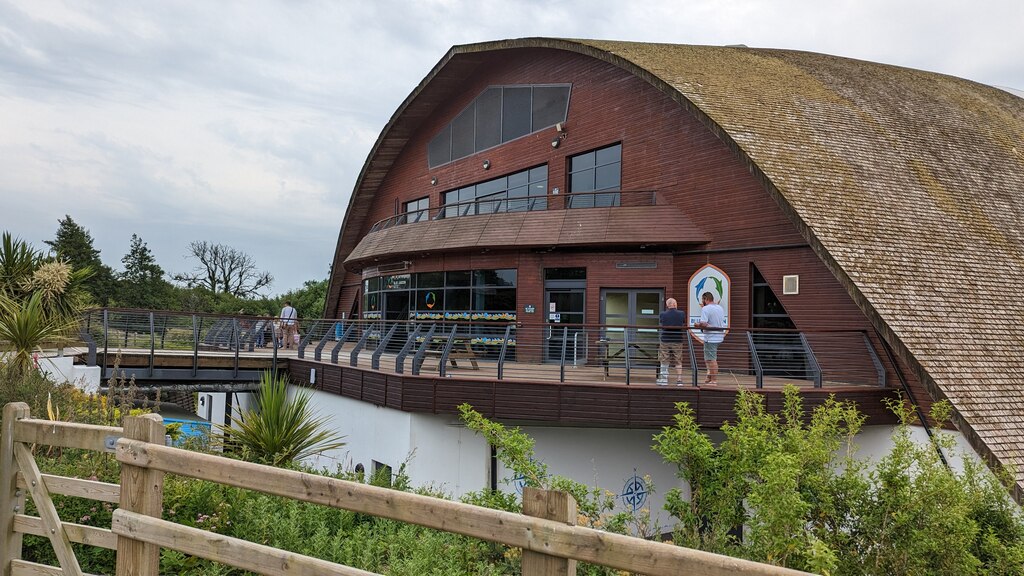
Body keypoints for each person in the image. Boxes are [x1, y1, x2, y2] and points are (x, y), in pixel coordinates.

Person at [693, 291, 725, 385]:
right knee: (708, 359)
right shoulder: (720, 307)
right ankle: (708, 377)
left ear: (706, 299)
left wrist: (697, 325)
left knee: (711, 359)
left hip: (711, 337)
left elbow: (703, 323)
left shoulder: (706, 309)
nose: (702, 301)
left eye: (703, 299)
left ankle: (714, 380)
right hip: (719, 336)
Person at [657, 297, 687, 385]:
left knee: (664, 359)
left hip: (665, 339)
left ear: (667, 305)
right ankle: (679, 380)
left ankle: (664, 379)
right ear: (675, 304)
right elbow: (682, 323)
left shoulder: (663, 314)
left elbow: (662, 323)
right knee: (678, 360)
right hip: (677, 339)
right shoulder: (681, 313)